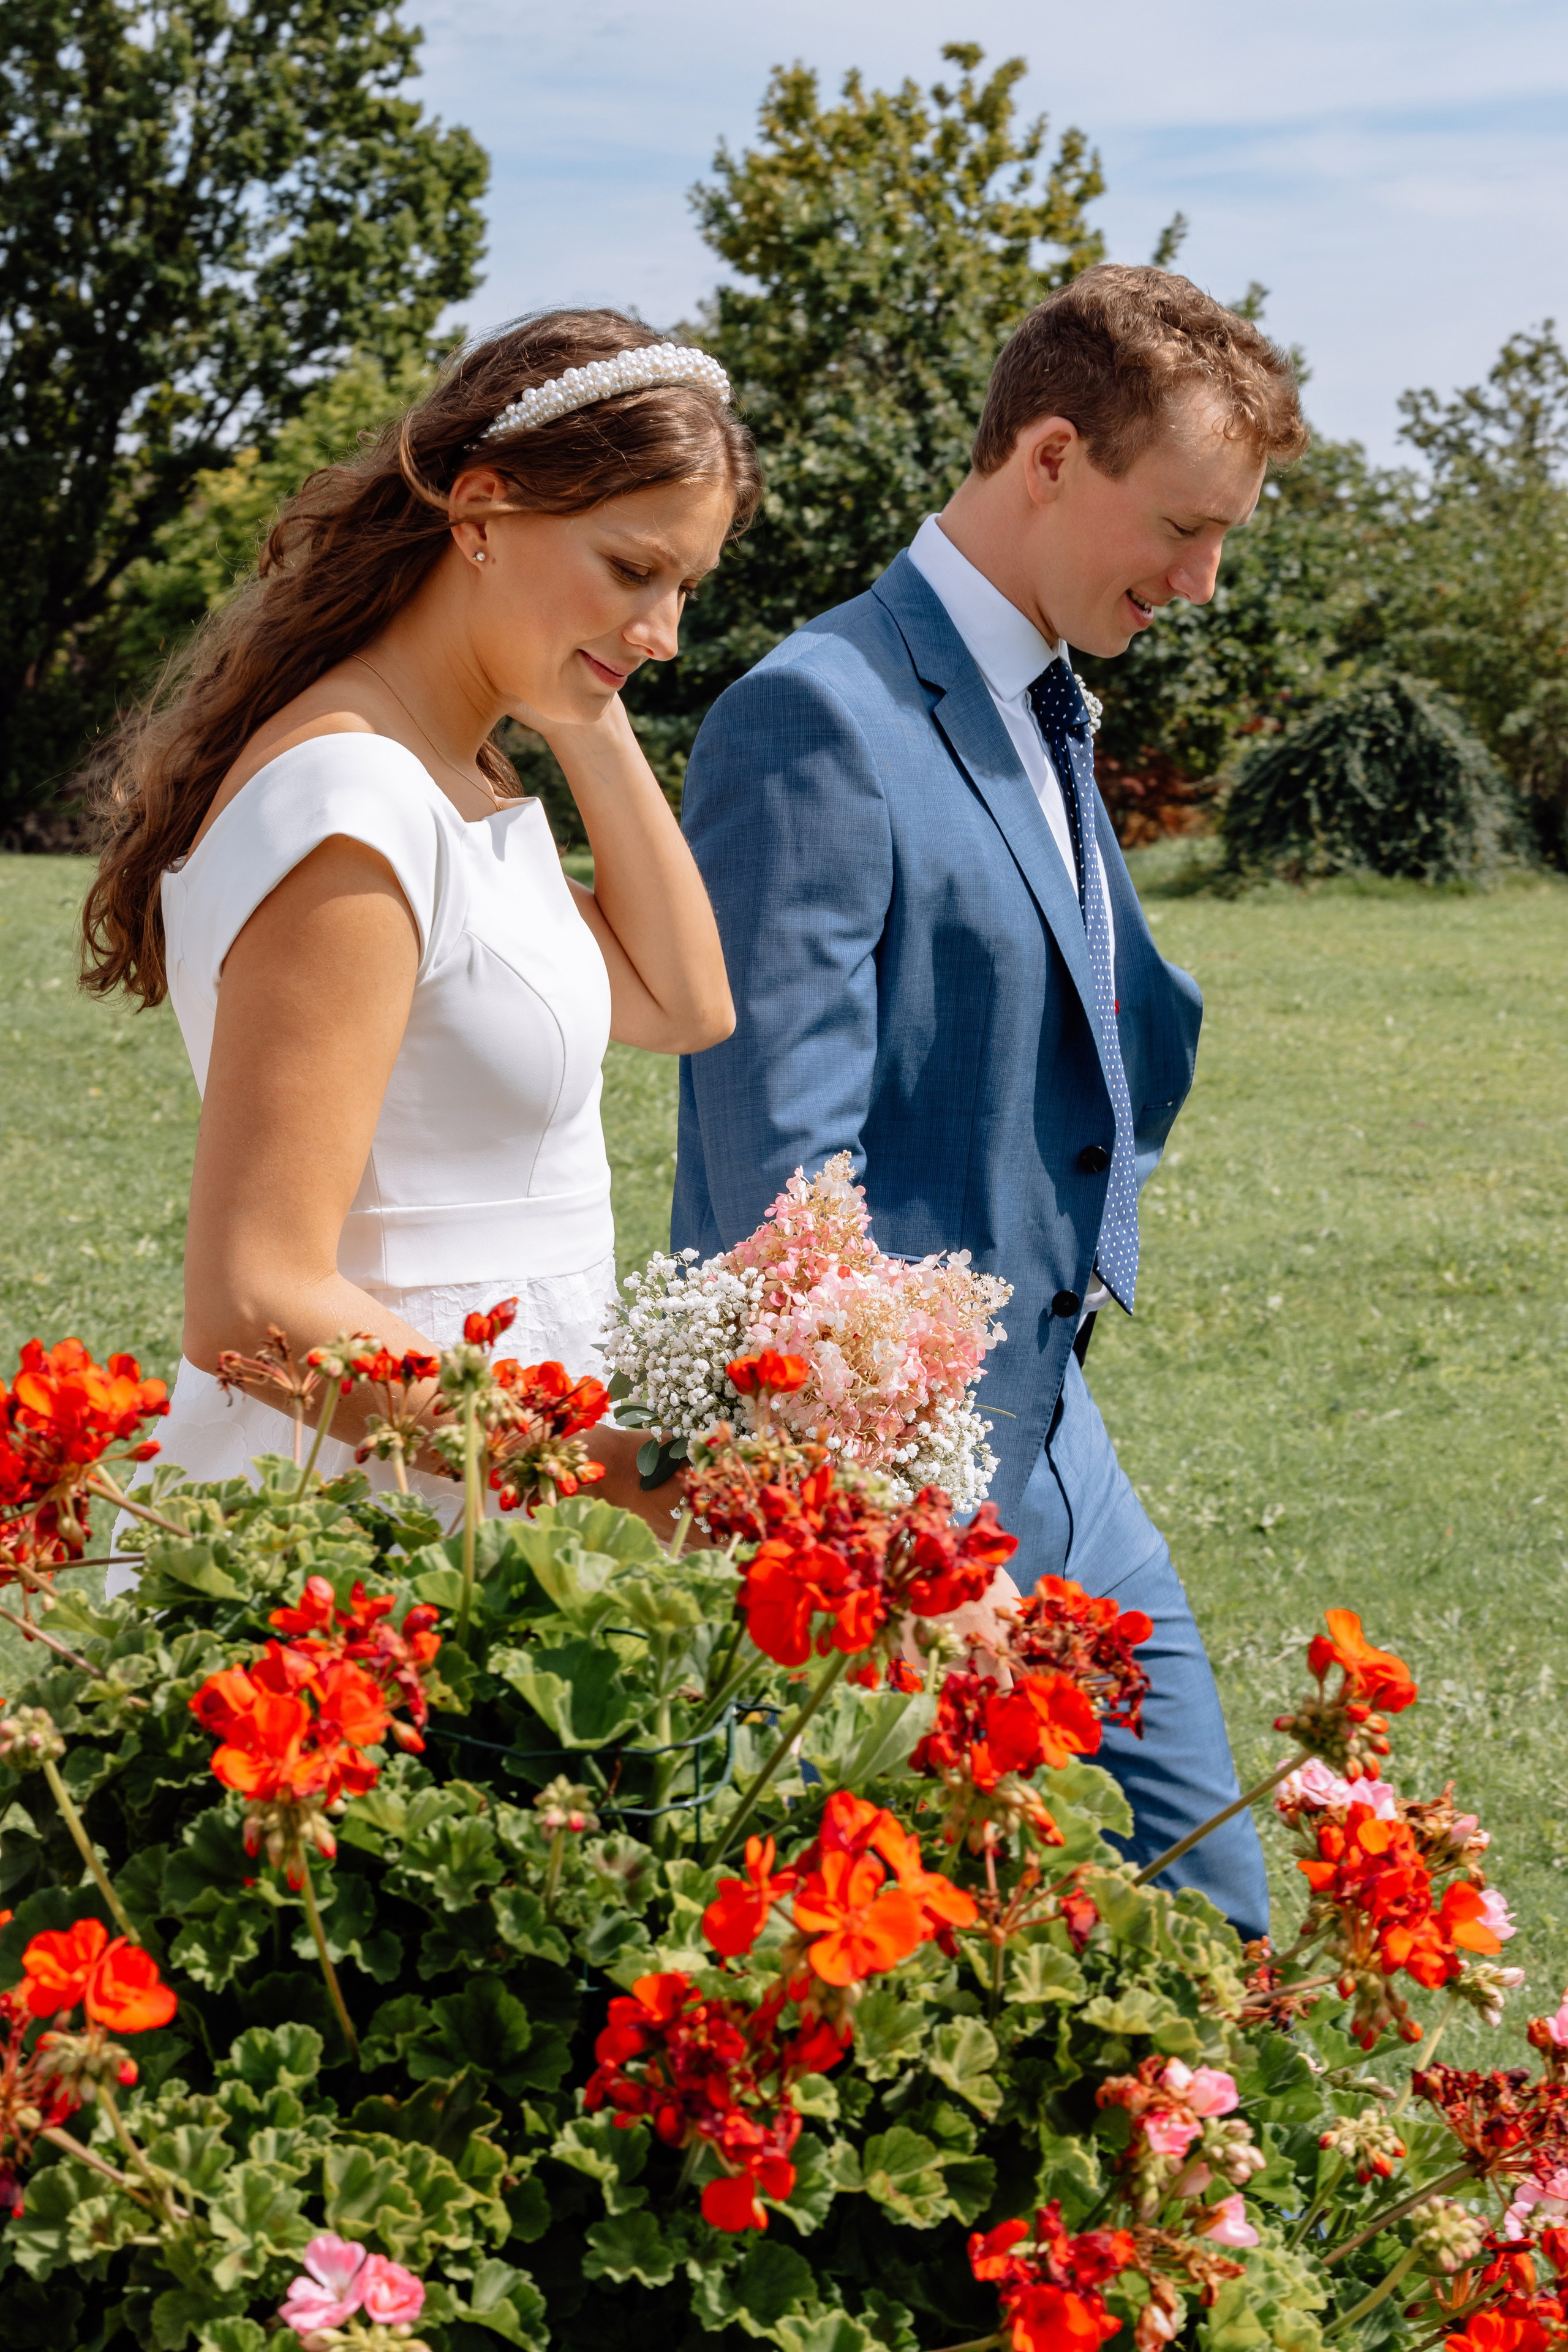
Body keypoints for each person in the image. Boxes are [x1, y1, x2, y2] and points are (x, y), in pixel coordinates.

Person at [671, 265, 1309, 1939]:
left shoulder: (1047, 697)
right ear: (1046, 455)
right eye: (1180, 525)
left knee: (1223, 1922)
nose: (1204, 578)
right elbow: (779, 1204)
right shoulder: (815, 717)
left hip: (1059, 1434)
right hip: (903, 1501)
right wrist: (911, 1552)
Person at [81, 311, 753, 1532]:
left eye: (684, 588)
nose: (663, 636)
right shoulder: (356, 807)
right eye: (629, 568)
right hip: (359, 1514)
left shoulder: (462, 775)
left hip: (479, 1483)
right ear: (481, 513)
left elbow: (684, 1003)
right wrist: (617, 1474)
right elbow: (255, 1299)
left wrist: (579, 692)